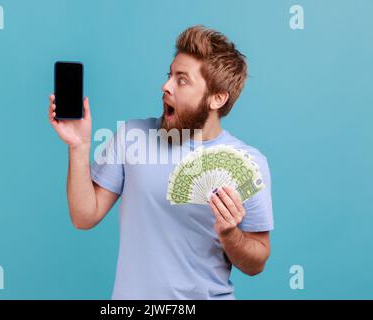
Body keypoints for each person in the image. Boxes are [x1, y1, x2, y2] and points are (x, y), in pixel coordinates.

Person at [48, 25, 274, 299]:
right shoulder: (132, 136)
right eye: (170, 75)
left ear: (217, 98)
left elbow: (256, 262)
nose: (165, 86)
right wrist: (79, 146)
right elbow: (84, 217)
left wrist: (230, 235)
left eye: (182, 80)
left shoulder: (250, 163)